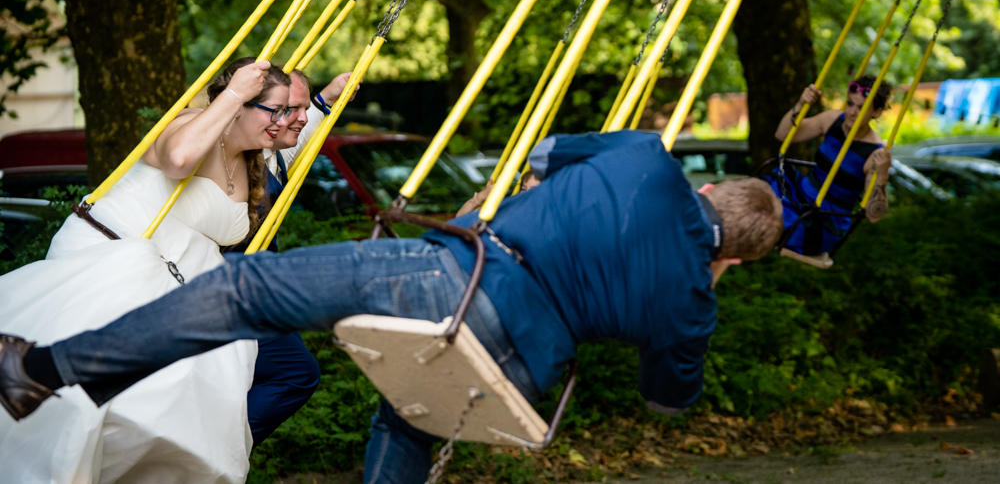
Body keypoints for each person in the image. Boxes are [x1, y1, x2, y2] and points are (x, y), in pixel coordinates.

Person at [0, 130, 784, 484]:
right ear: (737, 257)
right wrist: (700, 281)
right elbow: (668, 398)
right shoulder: (692, 306)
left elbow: (546, 156)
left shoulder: (645, 158)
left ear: (707, 188)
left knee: (245, 290)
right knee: (407, 416)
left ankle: (38, 369)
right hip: (518, 366)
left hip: (451, 282)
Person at [0, 59, 291, 483]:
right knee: (118, 396)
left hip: (174, 283)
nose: (284, 121)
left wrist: (328, 98)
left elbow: (303, 129)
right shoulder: (190, 123)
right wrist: (232, 95)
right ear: (242, 103)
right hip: (117, 256)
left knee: (185, 399)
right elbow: (177, 158)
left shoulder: (252, 158)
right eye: (276, 110)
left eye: (288, 111)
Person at [238, 65, 357, 448]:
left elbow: (302, 130)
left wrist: (330, 97)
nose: (300, 119)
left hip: (256, 283)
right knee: (295, 372)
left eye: (304, 108)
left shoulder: (276, 153)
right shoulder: (236, 157)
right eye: (290, 109)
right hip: (234, 288)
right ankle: (223, 449)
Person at [770, 74, 893, 265]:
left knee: (769, 219)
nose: (852, 112)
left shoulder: (874, 154)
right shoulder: (833, 119)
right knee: (755, 193)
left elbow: (873, 215)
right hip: (798, 194)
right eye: (850, 103)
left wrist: (883, 175)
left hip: (823, 220)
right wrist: (801, 103)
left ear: (876, 112)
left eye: (861, 108)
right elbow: (782, 134)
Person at [454, 169, 540, 218]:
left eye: (533, 190)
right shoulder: (510, 209)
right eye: (524, 189)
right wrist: (481, 196)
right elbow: (459, 218)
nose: (526, 194)